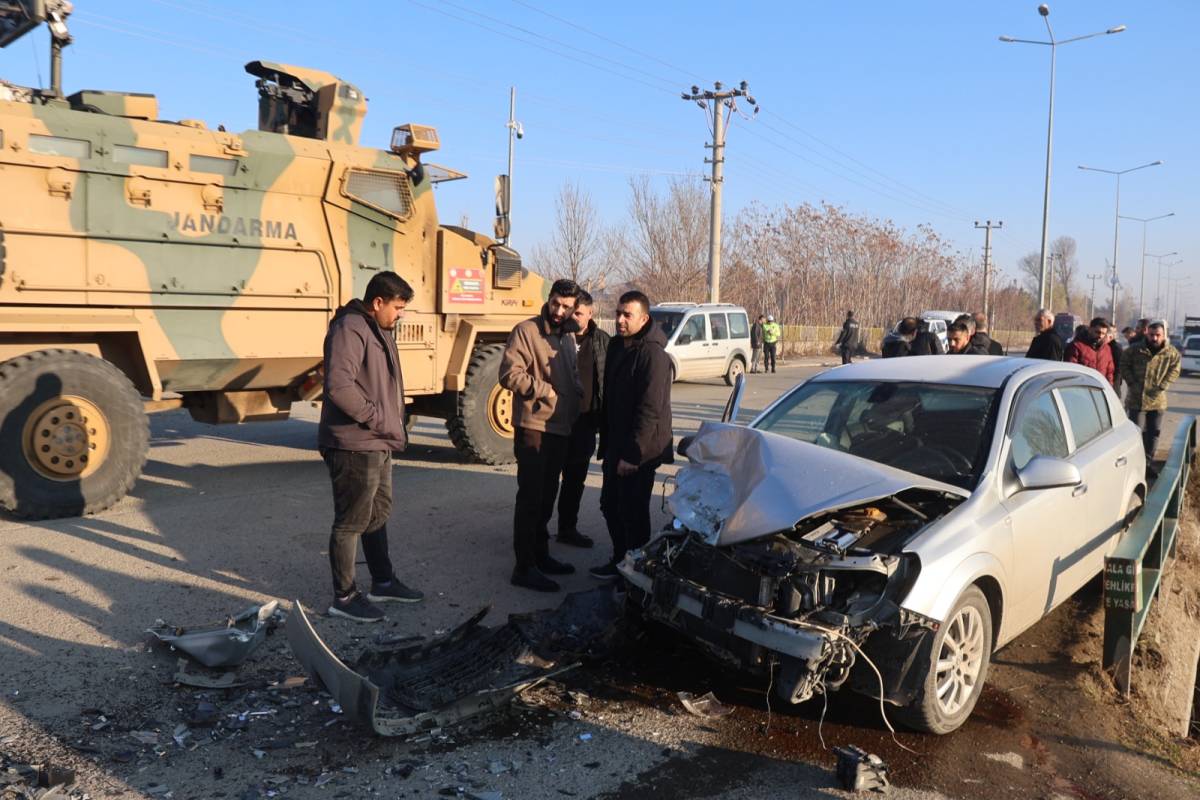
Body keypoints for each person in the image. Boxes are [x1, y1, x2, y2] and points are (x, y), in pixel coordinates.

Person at [318, 271, 424, 622]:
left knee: (377, 515)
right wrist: (378, 417)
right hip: (354, 442)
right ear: (377, 302)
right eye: (397, 307)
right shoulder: (351, 327)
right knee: (350, 521)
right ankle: (344, 598)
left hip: (377, 441)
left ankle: (383, 581)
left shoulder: (378, 327)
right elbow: (338, 386)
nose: (401, 314)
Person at [499, 278, 583, 592]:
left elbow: (571, 373)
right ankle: (524, 567)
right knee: (531, 498)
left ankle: (541, 555)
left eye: (567, 307)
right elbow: (509, 374)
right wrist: (544, 391)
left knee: (548, 497)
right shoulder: (527, 330)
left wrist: (576, 394)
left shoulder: (567, 336)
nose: (560, 311)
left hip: (560, 428)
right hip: (533, 427)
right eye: (556, 304)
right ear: (548, 300)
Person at [590, 291, 674, 580]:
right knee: (609, 504)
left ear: (644, 318)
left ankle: (637, 573)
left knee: (633, 511)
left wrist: (633, 454)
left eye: (628, 315)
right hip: (617, 441)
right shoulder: (617, 346)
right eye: (618, 313)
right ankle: (620, 560)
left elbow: (651, 409)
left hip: (641, 448)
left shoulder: (653, 355)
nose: (621, 320)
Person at [552, 290, 610, 551]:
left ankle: (567, 528)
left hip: (585, 422)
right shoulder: (557, 336)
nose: (573, 316)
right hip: (554, 420)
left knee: (575, 480)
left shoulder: (603, 341)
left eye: (579, 312)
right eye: (571, 311)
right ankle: (537, 532)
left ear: (590, 313)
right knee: (548, 480)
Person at [1120, 321, 1181, 459]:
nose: (1154, 338)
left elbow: (1175, 369)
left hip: (1157, 401)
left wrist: (1163, 385)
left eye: (1158, 335)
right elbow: (1123, 364)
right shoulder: (1135, 349)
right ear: (1147, 334)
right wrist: (1131, 382)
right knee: (1136, 434)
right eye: (1151, 335)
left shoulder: (1170, 352)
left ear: (1164, 335)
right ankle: (1137, 462)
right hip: (1136, 400)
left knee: (1153, 435)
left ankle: (1148, 462)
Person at [1065, 317, 1115, 386]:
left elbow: (1110, 372)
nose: (1100, 336)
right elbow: (1071, 370)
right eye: (1097, 332)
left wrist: (1109, 387)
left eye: (1103, 334)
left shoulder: (1106, 349)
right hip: (1081, 389)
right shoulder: (1076, 346)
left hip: (1100, 390)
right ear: (1090, 329)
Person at [1108, 328, 1124, 395]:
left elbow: (1119, 368)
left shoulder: (1116, 348)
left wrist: (1115, 384)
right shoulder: (1105, 347)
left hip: (1113, 383)